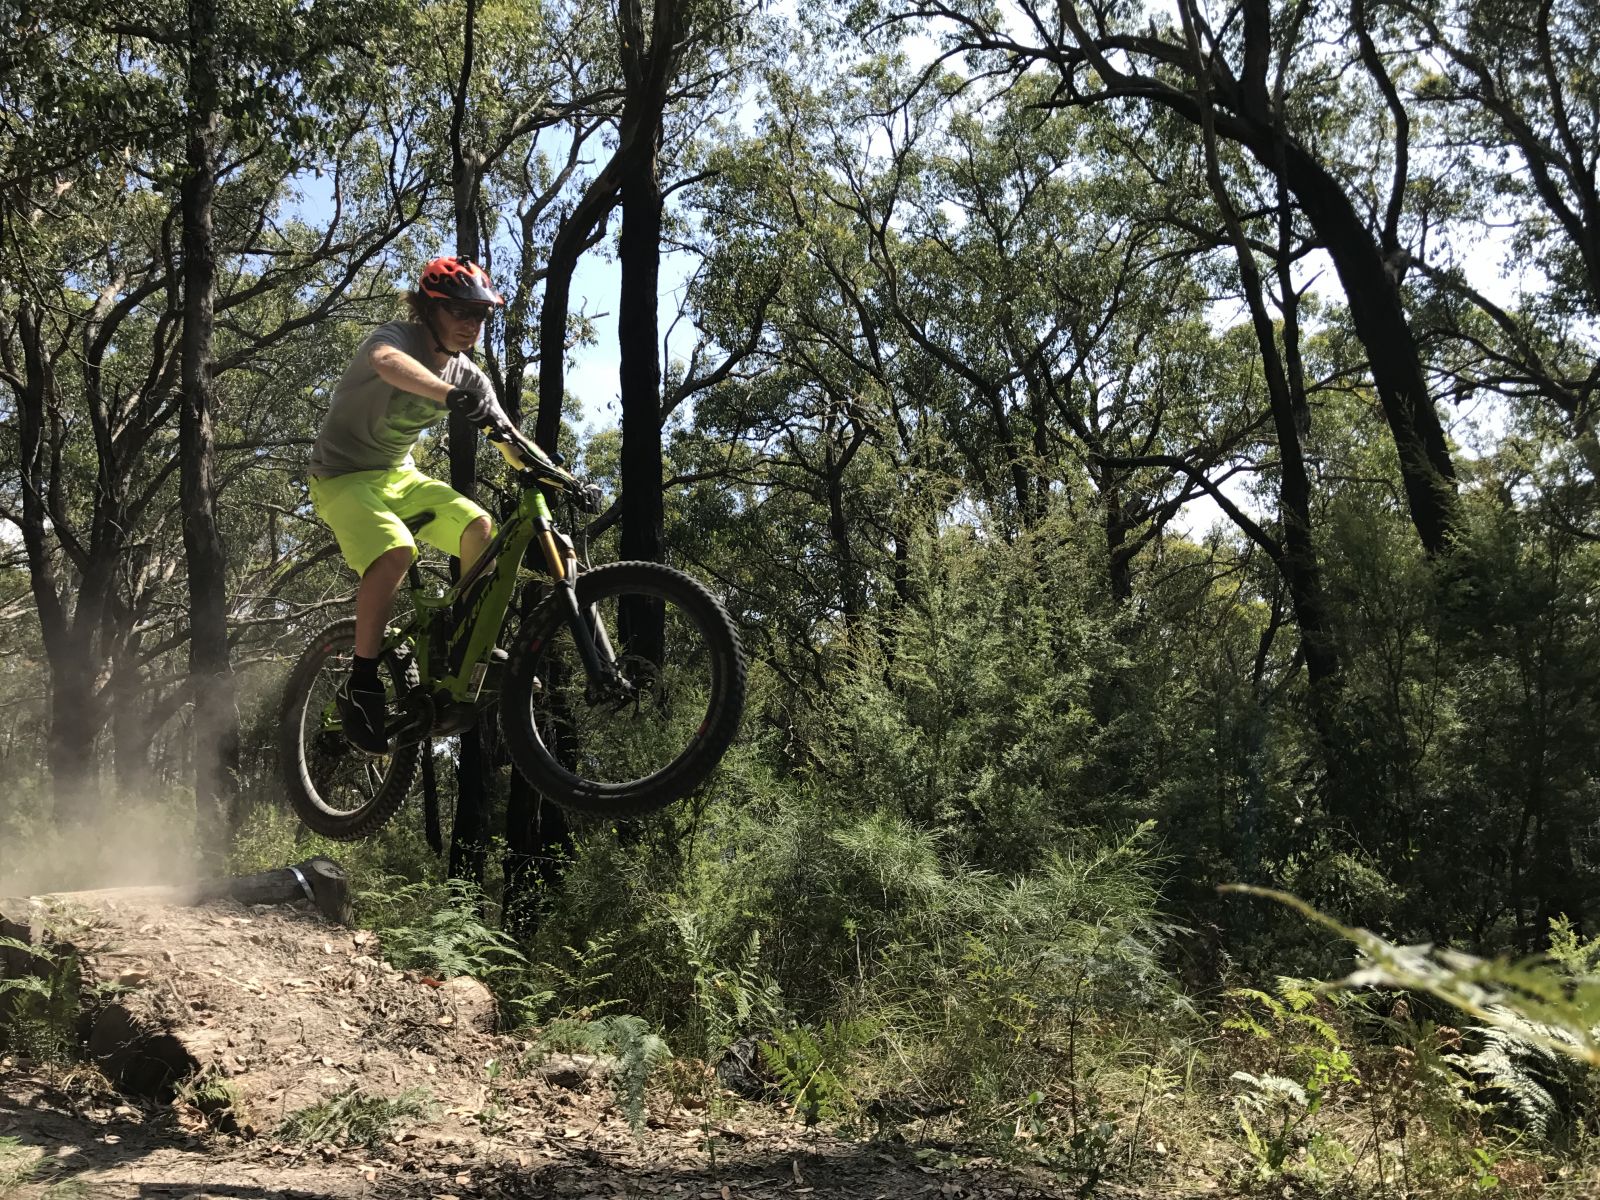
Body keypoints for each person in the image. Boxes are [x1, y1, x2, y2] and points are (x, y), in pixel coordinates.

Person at [308, 255, 516, 753]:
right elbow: (385, 363)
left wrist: (555, 475)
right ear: (429, 309)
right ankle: (361, 682)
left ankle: (461, 654)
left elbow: (508, 437)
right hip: (339, 477)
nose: (472, 325)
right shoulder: (398, 338)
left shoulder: (471, 378)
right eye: (460, 312)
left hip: (398, 476)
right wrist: (447, 394)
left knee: (480, 530)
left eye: (482, 316)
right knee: (396, 550)